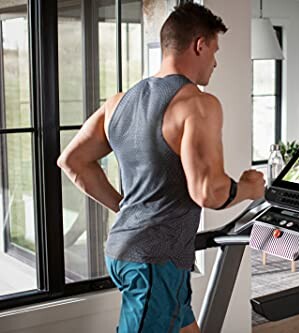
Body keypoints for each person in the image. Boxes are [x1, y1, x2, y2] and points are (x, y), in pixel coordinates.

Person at [57, 3, 265, 333]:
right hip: (155, 262)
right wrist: (251, 188)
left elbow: (72, 161)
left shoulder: (119, 102)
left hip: (133, 252)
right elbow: (208, 192)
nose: (215, 62)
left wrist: (123, 206)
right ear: (200, 44)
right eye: (214, 50)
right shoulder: (197, 103)